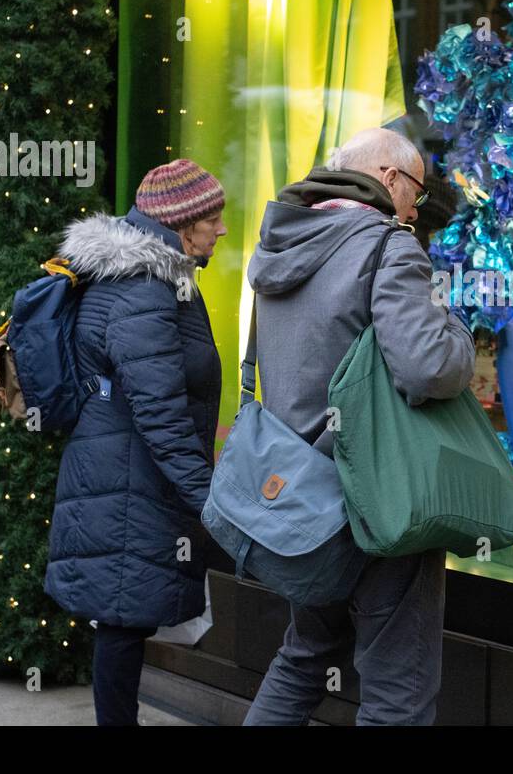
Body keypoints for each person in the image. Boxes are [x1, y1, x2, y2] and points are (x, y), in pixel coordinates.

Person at [243, 127, 475, 726]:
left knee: (301, 659)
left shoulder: (282, 243)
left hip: (302, 500)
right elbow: (428, 368)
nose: (415, 212)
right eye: (417, 196)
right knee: (398, 689)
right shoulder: (385, 246)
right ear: (391, 180)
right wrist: (458, 330)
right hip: (379, 497)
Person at [46, 159, 227, 725]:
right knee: (123, 622)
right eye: (214, 218)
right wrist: (212, 500)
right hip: (129, 482)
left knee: (124, 620)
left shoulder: (153, 276)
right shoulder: (143, 287)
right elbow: (160, 413)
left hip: (127, 475)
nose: (222, 229)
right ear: (181, 223)